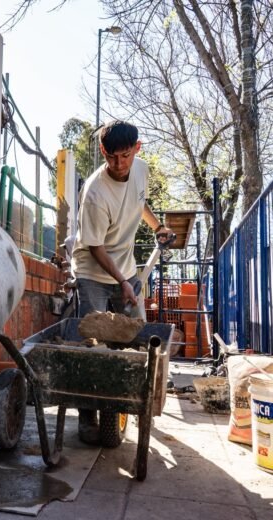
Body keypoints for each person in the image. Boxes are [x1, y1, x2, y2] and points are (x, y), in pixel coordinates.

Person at [70, 120, 174, 445]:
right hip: (92, 270)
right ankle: (87, 416)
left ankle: (133, 401)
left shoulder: (140, 170)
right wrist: (123, 282)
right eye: (111, 157)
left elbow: (139, 203)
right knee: (92, 343)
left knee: (137, 336)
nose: (118, 164)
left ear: (137, 149)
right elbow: (96, 247)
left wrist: (158, 227)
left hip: (124, 267)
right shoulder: (95, 193)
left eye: (125, 156)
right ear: (103, 151)